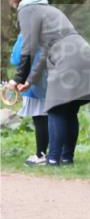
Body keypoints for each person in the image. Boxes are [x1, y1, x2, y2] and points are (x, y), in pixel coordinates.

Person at [8, 0, 90, 166]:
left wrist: (16, 78)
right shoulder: (48, 9)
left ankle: (52, 159)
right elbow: (43, 53)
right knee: (69, 110)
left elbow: (28, 48)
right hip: (83, 53)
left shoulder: (27, 10)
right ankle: (66, 158)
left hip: (67, 58)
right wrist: (29, 80)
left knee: (55, 108)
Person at [8, 31, 49, 165]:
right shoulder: (50, 29)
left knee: (40, 117)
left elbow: (16, 58)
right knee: (52, 117)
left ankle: (40, 155)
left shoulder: (26, 32)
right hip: (51, 78)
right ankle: (57, 154)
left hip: (33, 81)